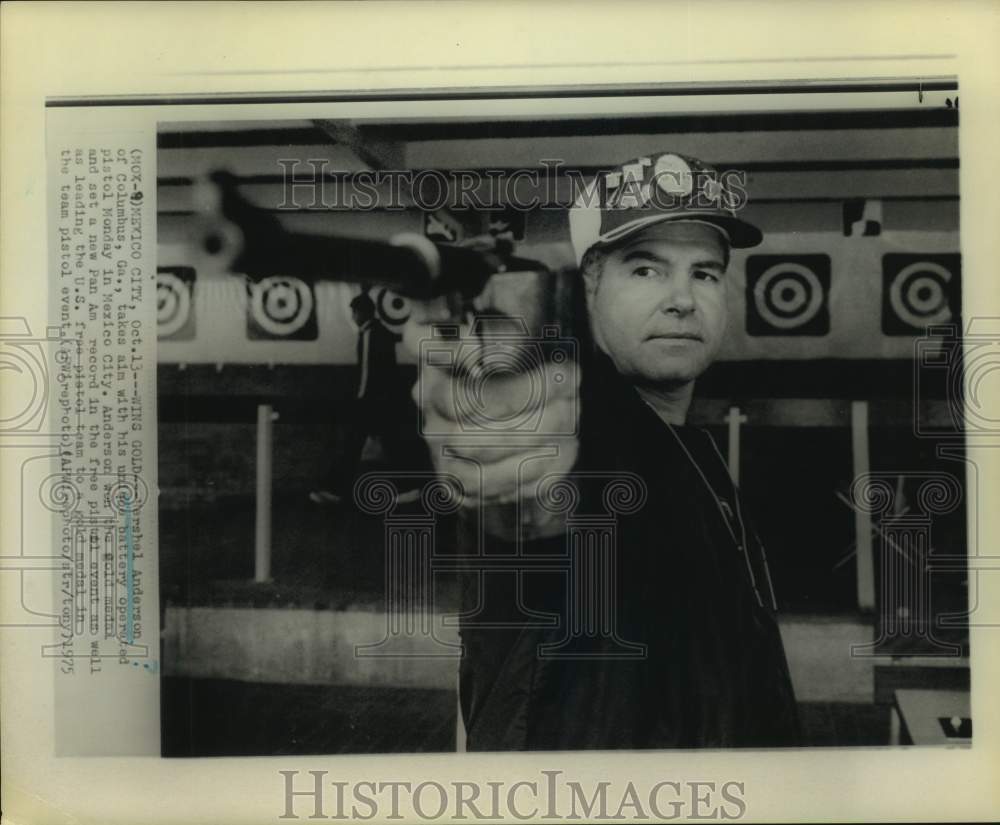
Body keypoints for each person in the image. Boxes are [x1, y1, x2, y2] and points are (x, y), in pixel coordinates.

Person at [411, 152, 801, 750]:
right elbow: (524, 481)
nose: (682, 299)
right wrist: (497, 429)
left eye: (704, 273)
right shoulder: (584, 432)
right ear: (591, 282)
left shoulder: (691, 451)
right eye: (645, 270)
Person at [311, 292, 410, 504]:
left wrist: (360, 400)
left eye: (354, 312)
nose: (353, 317)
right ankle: (407, 489)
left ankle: (334, 490)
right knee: (391, 446)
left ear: (362, 312)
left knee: (353, 445)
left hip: (372, 402)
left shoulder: (369, 334)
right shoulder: (380, 332)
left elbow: (367, 372)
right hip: (385, 401)